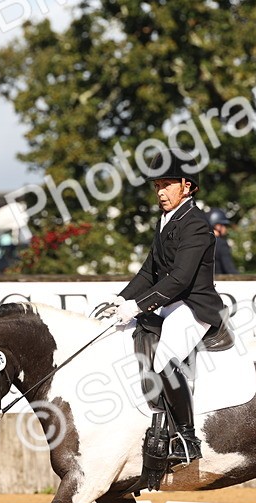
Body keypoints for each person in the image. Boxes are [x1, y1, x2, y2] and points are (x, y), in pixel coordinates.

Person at [96, 150, 223, 467]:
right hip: (169, 306)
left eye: (167, 185)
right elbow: (148, 271)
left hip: (194, 308)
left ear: (187, 186)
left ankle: (187, 439)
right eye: (157, 186)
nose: (161, 192)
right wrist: (121, 300)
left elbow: (179, 279)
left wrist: (138, 306)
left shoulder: (196, 225)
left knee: (166, 359)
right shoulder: (165, 221)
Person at [208, 209, 239, 275]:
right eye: (224, 225)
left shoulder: (202, 242)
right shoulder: (221, 244)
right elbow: (230, 270)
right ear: (218, 226)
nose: (226, 229)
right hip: (219, 280)